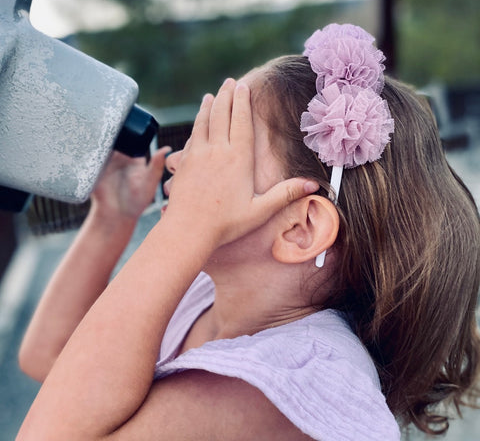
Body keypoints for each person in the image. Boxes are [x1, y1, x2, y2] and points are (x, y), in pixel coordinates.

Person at [16, 24, 479, 441]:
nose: (180, 162)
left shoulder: (288, 385)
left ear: (301, 228)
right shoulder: (207, 296)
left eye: (222, 147)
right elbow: (53, 358)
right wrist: (113, 217)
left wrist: (182, 230)